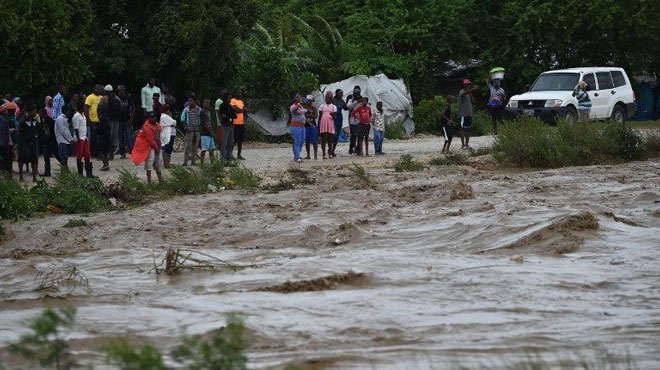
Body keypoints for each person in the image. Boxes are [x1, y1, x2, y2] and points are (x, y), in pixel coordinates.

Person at [131, 111, 163, 187]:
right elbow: (150, 140)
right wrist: (157, 148)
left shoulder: (157, 125)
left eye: (153, 117)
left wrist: (159, 147)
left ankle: (160, 181)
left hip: (157, 146)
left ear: (155, 117)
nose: (151, 118)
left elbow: (159, 136)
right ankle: (150, 182)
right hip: (150, 147)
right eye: (150, 117)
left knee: (158, 165)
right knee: (149, 165)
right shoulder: (146, 126)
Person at [18, 104, 40, 182]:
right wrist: (20, 145)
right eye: (34, 111)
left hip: (33, 144)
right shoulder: (23, 122)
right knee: (21, 160)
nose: (35, 113)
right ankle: (21, 177)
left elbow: (38, 131)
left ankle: (34, 177)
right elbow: (20, 134)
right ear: (30, 112)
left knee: (33, 160)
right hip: (24, 144)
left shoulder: (35, 122)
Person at [95, 85, 113, 171]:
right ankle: (107, 165)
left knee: (100, 150)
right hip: (109, 131)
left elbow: (101, 129)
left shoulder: (103, 99)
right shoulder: (112, 99)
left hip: (104, 134)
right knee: (106, 151)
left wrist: (97, 130)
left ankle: (105, 164)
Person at [73, 100, 93, 177]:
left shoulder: (83, 115)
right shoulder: (76, 116)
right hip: (80, 139)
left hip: (84, 137)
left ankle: (89, 173)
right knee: (79, 156)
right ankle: (80, 174)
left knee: (87, 155)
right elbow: (76, 129)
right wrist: (78, 139)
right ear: (82, 107)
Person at [181, 96, 202, 166]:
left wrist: (200, 128)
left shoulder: (199, 109)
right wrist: (186, 128)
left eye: (191, 101)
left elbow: (202, 120)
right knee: (187, 146)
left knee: (195, 146)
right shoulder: (186, 109)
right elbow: (183, 119)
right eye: (189, 101)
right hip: (189, 130)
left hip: (197, 130)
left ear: (195, 101)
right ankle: (185, 162)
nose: (189, 102)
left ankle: (193, 161)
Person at [38, 105, 58, 177]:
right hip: (46, 141)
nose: (39, 114)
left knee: (57, 155)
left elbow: (52, 132)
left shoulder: (50, 121)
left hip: (51, 141)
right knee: (46, 157)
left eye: (40, 113)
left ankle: (64, 168)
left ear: (43, 113)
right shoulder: (43, 120)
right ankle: (47, 172)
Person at [117, 86, 135, 159]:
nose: (119, 92)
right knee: (120, 139)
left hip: (127, 120)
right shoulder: (117, 98)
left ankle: (133, 153)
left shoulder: (129, 97)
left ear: (123, 90)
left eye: (120, 90)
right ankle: (122, 154)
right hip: (119, 121)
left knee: (130, 139)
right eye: (118, 91)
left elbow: (133, 108)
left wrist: (131, 119)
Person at [217, 90, 236, 162]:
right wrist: (229, 115)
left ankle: (228, 159)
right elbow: (222, 116)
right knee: (224, 143)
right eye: (229, 98)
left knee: (230, 143)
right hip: (225, 125)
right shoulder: (223, 106)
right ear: (225, 98)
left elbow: (234, 116)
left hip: (230, 125)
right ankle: (223, 159)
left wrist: (228, 115)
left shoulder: (229, 106)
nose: (230, 99)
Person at [458, 79, 476, 150]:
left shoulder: (469, 93)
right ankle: (463, 145)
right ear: (465, 85)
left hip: (469, 114)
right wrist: (471, 90)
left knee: (468, 129)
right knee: (462, 129)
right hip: (463, 114)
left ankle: (467, 144)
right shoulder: (461, 91)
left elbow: (473, 102)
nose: (469, 85)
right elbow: (462, 94)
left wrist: (470, 93)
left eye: (470, 84)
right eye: (468, 84)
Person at [318, 91, 337, 159]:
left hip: (330, 124)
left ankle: (330, 153)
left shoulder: (333, 106)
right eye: (326, 97)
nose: (327, 99)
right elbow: (320, 116)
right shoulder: (322, 106)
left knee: (329, 139)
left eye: (328, 97)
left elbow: (335, 117)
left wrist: (333, 115)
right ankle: (323, 154)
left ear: (331, 98)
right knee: (323, 139)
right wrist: (318, 125)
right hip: (323, 124)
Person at [84, 84, 102, 156]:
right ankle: (92, 153)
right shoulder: (90, 97)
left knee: (99, 138)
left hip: (100, 120)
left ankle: (98, 152)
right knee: (93, 137)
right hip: (93, 120)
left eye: (99, 89)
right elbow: (86, 108)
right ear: (94, 89)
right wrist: (88, 119)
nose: (98, 90)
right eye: (97, 89)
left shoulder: (101, 97)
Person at [54, 105, 74, 171]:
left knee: (65, 158)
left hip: (66, 141)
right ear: (67, 111)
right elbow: (63, 131)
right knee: (63, 158)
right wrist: (70, 139)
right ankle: (64, 173)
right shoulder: (60, 119)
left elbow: (67, 130)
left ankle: (65, 172)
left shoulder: (65, 119)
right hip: (62, 141)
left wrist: (71, 139)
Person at [331, 89, 348, 158]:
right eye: (340, 93)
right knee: (333, 135)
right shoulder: (333, 100)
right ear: (337, 93)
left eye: (342, 93)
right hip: (333, 119)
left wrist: (349, 103)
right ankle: (330, 149)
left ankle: (332, 150)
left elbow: (346, 108)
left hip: (339, 119)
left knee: (337, 136)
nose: (342, 94)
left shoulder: (342, 101)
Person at [345, 86, 362, 154]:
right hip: (352, 119)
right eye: (356, 94)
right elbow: (349, 107)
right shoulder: (351, 100)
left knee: (359, 135)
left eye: (358, 94)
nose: (357, 95)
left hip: (360, 120)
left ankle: (358, 149)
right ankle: (351, 148)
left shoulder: (361, 99)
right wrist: (356, 102)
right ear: (353, 94)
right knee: (353, 135)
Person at [290, 94, 306, 163]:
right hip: (296, 126)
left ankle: (297, 155)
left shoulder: (301, 106)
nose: (301, 98)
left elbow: (303, 114)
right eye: (299, 97)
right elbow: (294, 111)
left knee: (302, 141)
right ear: (296, 99)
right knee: (297, 142)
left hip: (302, 126)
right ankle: (297, 156)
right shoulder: (293, 106)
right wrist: (299, 104)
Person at [231, 89, 246, 160]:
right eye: (238, 93)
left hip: (241, 123)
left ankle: (239, 155)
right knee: (234, 140)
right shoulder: (233, 100)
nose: (240, 94)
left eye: (241, 93)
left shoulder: (241, 101)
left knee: (240, 140)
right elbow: (235, 110)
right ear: (235, 93)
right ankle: (230, 154)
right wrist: (242, 110)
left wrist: (240, 110)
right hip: (235, 123)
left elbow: (241, 110)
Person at [108, 86, 123, 160]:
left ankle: (111, 154)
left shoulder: (113, 99)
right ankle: (110, 154)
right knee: (112, 137)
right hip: (113, 120)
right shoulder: (115, 99)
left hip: (113, 121)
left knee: (112, 137)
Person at [200, 98, 215, 164]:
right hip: (205, 133)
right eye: (206, 103)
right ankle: (202, 163)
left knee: (212, 149)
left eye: (208, 103)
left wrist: (211, 131)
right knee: (204, 149)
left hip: (209, 132)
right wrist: (210, 131)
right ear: (203, 103)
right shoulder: (202, 112)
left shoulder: (208, 112)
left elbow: (209, 122)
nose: (207, 104)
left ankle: (212, 162)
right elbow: (204, 123)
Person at [304, 95, 318, 160]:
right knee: (307, 141)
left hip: (313, 125)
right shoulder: (304, 108)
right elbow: (304, 116)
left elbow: (315, 116)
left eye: (310, 101)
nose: (309, 102)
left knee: (315, 141)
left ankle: (315, 155)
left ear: (312, 101)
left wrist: (308, 115)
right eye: (308, 101)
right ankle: (308, 155)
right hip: (306, 126)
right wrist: (310, 115)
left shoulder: (314, 108)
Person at [0, 107, 11, 177]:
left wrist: (7, 142)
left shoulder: (4, 121)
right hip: (3, 143)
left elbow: (7, 133)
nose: (5, 112)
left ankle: (7, 175)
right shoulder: (4, 120)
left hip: (3, 143)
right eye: (3, 111)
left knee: (6, 160)